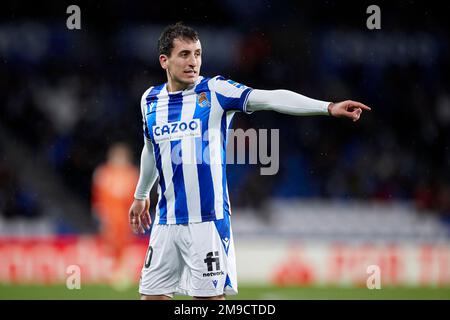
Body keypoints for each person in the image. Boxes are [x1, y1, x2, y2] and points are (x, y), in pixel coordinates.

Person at [128, 22, 370, 300]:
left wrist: (326, 107)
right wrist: (142, 193)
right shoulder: (150, 99)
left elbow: (269, 98)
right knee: (151, 298)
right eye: (184, 54)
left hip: (207, 222)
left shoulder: (215, 91)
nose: (193, 61)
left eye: (197, 53)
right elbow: (150, 148)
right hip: (165, 221)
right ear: (164, 60)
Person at [92, 142, 139, 287]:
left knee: (124, 242)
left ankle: (122, 270)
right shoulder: (103, 172)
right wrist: (100, 212)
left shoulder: (131, 173)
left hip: (125, 215)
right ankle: (111, 270)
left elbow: (135, 196)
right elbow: (98, 195)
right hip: (110, 214)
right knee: (110, 242)